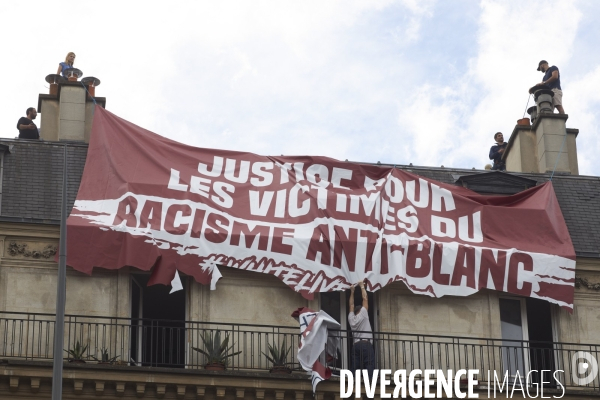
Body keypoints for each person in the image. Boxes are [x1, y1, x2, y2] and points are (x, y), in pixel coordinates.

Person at [348, 280, 374, 378]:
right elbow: (365, 298)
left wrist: (352, 291)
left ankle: (353, 383)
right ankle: (370, 383)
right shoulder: (363, 314)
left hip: (355, 346)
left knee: (355, 367)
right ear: (361, 310)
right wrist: (362, 287)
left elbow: (351, 305)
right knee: (369, 364)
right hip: (365, 344)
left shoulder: (351, 318)